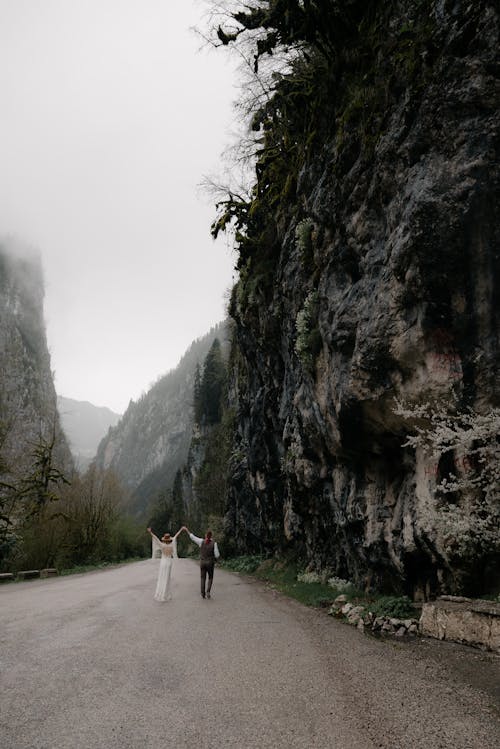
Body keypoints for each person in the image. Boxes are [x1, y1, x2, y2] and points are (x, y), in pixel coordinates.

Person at [147, 526, 183, 602]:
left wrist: (150, 532)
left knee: (162, 577)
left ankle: (161, 594)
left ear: (164, 539)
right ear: (169, 539)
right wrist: (181, 529)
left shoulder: (162, 545)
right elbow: (176, 535)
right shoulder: (172, 544)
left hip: (163, 563)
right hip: (169, 562)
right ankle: (166, 594)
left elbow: (156, 538)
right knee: (167, 578)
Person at [183, 526, 220, 599]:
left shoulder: (201, 541)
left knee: (203, 578)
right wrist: (216, 559)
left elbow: (193, 537)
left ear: (205, 535)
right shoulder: (214, 543)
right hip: (210, 563)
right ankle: (208, 592)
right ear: (211, 536)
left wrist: (187, 530)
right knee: (210, 577)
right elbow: (217, 555)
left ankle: (202, 593)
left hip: (202, 563)